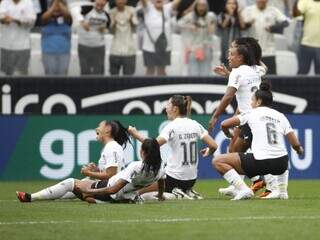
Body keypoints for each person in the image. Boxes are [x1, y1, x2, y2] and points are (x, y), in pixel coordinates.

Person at [212, 81, 304, 200]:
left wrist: (227, 134)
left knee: (218, 161)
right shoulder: (280, 116)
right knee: (282, 155)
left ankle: (243, 189)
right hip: (281, 164)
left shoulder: (250, 113)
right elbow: (295, 143)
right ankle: (282, 191)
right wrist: (299, 150)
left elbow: (224, 124)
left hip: (261, 163)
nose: (251, 103)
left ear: (259, 101)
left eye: (252, 100)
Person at [16, 120, 131, 202]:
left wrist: (89, 173)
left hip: (109, 190)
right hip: (110, 188)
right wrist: (97, 170)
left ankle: (30, 197)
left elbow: (111, 175)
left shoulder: (112, 146)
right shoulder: (112, 146)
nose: (96, 128)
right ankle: (44, 197)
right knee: (72, 187)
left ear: (107, 130)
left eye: (99, 126)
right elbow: (111, 172)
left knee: (71, 183)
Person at [128, 95, 218, 199]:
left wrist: (135, 134)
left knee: (138, 193)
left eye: (168, 104)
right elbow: (214, 145)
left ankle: (175, 193)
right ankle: (183, 191)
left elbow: (152, 145)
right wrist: (209, 151)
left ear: (175, 108)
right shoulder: (195, 124)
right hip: (191, 180)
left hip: (172, 178)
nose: (166, 108)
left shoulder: (171, 126)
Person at [75, 138, 165, 203]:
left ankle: (104, 201)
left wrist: (88, 191)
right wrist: (160, 195)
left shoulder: (136, 166)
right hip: (129, 194)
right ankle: (115, 201)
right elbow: (161, 183)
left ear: (143, 152)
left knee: (72, 184)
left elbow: (113, 190)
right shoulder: (161, 167)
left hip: (110, 189)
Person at [241, 0, 289, 74]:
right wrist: (248, 24)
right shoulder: (248, 10)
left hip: (269, 52)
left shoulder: (273, 10)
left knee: (271, 79)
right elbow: (241, 26)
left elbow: (286, 22)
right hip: (252, 52)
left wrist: (273, 28)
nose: (261, 1)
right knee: (251, 80)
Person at [140, 0, 182, 76]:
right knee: (150, 70)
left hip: (164, 47)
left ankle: (162, 87)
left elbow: (178, 1)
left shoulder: (167, 8)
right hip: (149, 47)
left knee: (162, 71)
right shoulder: (148, 8)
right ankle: (148, 87)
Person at [0, 0, 36, 75]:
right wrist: (4, 20)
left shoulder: (28, 3)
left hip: (22, 47)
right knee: (5, 76)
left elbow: (31, 21)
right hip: (5, 46)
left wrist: (14, 20)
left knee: (21, 75)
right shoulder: (4, 2)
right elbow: (2, 17)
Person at [77, 0, 110, 75]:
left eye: (103, 2)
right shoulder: (87, 8)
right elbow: (75, 11)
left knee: (99, 72)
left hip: (99, 46)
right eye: (99, 0)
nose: (101, 3)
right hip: (84, 45)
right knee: (85, 71)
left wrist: (104, 30)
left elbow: (108, 29)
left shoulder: (107, 14)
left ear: (106, 3)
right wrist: (82, 22)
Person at [40, 0, 72, 75]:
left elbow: (67, 14)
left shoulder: (67, 19)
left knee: (63, 76)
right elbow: (44, 17)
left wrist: (59, 3)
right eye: (54, 7)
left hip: (64, 53)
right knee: (50, 76)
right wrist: (55, 3)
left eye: (59, 7)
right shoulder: (45, 19)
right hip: (48, 53)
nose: (57, 9)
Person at [109, 0, 138, 75]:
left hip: (129, 51)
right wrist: (114, 21)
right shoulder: (111, 12)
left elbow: (135, 28)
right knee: (113, 78)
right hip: (115, 51)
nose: (120, 1)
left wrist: (131, 19)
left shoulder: (132, 10)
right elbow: (111, 31)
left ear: (126, 1)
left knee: (129, 79)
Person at [293, 0, 320, 75]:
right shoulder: (304, 1)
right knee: (302, 73)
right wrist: (296, 3)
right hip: (306, 44)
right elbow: (296, 15)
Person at [217, 0, 245, 66]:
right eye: (229, 3)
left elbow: (243, 26)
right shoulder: (221, 15)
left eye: (234, 4)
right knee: (226, 63)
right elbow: (223, 26)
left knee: (237, 63)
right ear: (225, 5)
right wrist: (229, 14)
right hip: (225, 44)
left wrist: (239, 14)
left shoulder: (239, 16)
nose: (231, 5)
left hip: (237, 44)